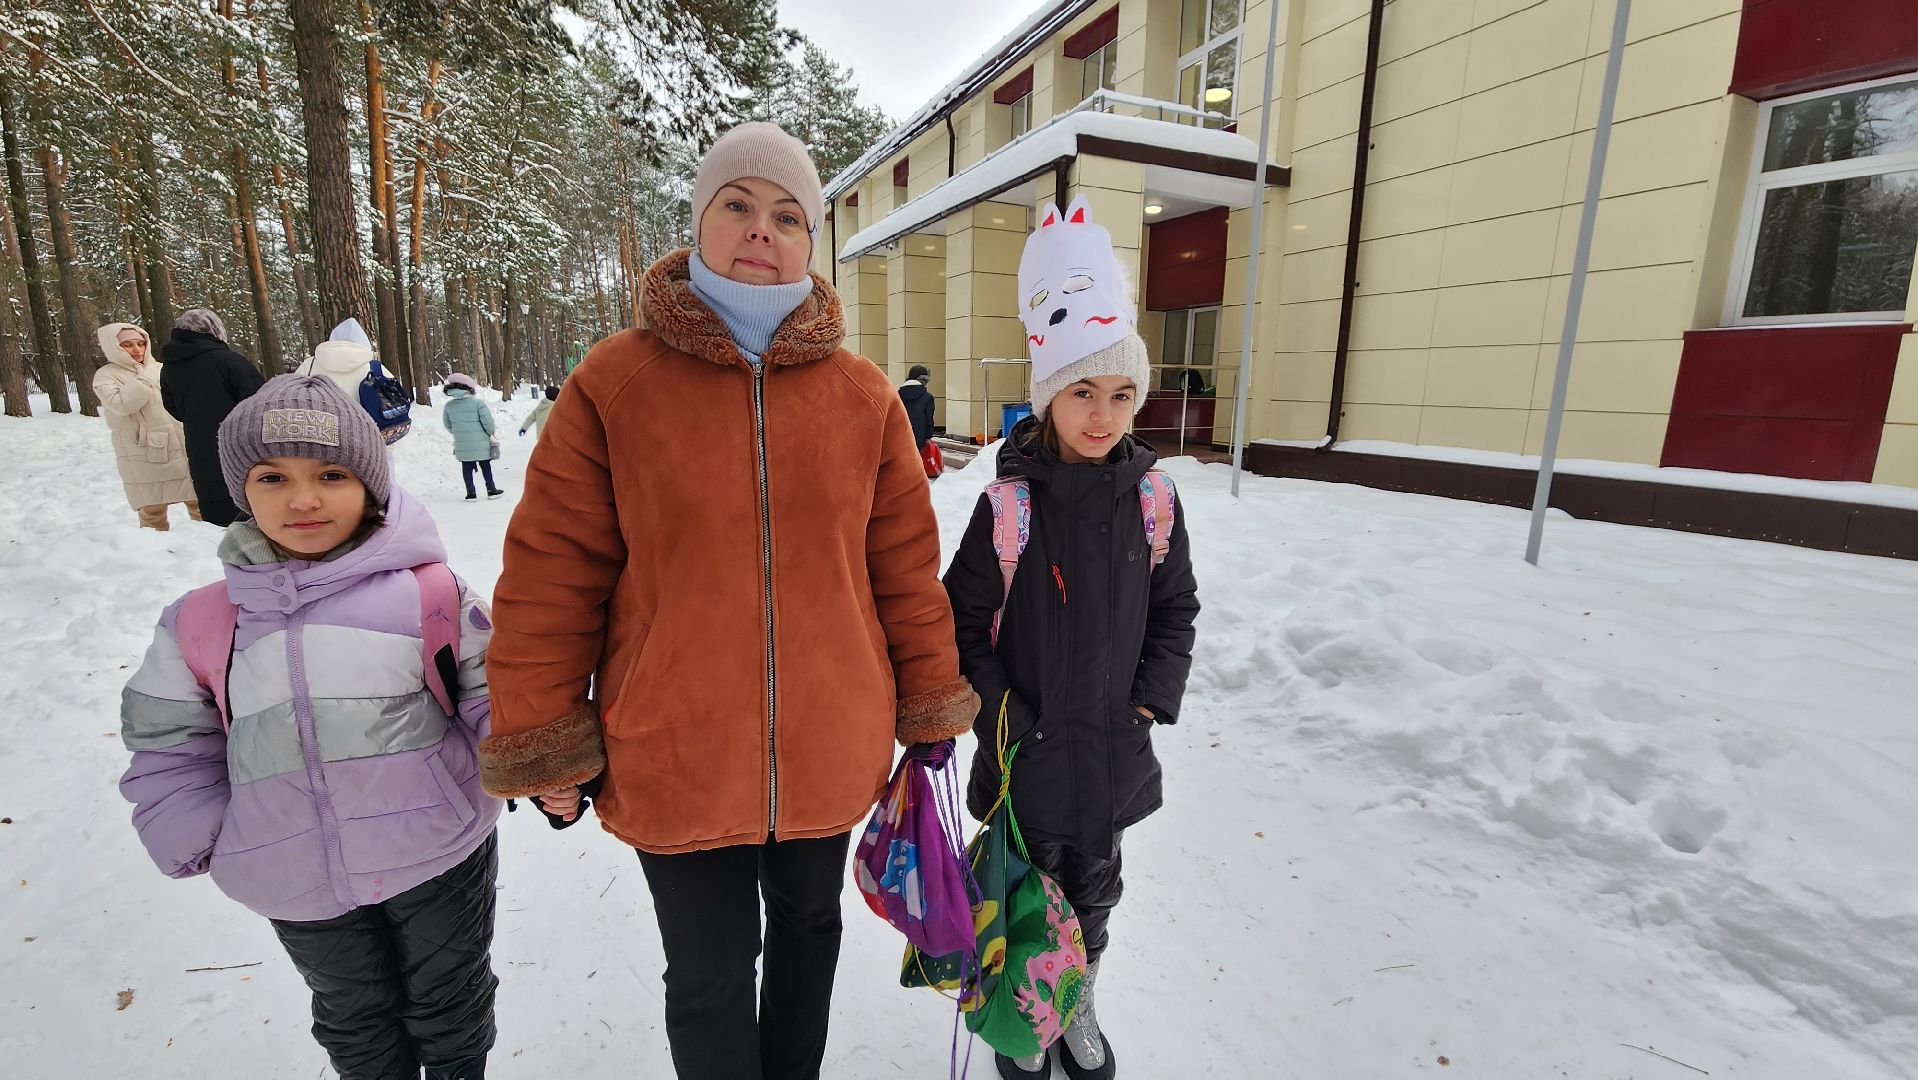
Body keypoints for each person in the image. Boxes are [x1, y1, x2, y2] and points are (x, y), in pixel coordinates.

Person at [475, 121, 977, 1080]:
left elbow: (904, 573)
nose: (761, 229)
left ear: (810, 241)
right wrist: (543, 734)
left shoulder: (863, 398)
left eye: (788, 216)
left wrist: (927, 703)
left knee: (809, 935)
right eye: (738, 205)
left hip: (829, 739)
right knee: (708, 971)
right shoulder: (614, 385)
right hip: (674, 747)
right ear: (700, 222)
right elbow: (552, 576)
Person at [117, 374, 503, 1080]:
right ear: (243, 490)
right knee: (353, 1017)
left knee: (451, 1001)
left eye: (331, 475)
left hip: (438, 851)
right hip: (288, 869)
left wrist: (529, 766)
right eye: (273, 477)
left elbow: (495, 698)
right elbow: (169, 743)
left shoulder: (431, 594)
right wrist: (206, 835)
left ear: (370, 487)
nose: (303, 499)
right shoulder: (201, 621)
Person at [942, 197, 1200, 1080]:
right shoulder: (1008, 509)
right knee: (1026, 898)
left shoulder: (1155, 503)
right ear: (1049, 395)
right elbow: (960, 625)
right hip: (1026, 758)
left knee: (1094, 896)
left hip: (1111, 752)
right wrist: (1007, 717)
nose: (1103, 414)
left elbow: (1176, 609)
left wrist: (1147, 703)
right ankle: (1028, 1016)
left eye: (1121, 394)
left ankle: (1077, 1000)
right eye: (1083, 392)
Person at [160, 308, 266, 526]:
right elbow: (260, 401)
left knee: (216, 501)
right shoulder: (229, 361)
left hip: (199, 444)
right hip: (241, 442)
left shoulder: (170, 367)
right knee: (250, 504)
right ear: (214, 330)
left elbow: (173, 407)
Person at [93, 323, 198, 530]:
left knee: (199, 502)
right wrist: (144, 378)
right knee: (152, 511)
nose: (137, 349)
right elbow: (121, 405)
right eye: (128, 345)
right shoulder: (106, 375)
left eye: (141, 343)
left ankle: (206, 543)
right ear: (113, 347)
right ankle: (153, 548)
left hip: (180, 443)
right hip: (142, 451)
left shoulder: (160, 368)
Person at [441, 373, 502, 500]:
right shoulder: (478, 403)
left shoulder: (448, 406)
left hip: (462, 442)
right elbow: (488, 423)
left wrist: (458, 432)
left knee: (466, 466)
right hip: (481, 442)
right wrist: (490, 433)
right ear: (469, 388)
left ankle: (471, 493)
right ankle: (491, 490)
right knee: (485, 465)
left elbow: (447, 424)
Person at [298, 318, 374, 401]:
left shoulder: (309, 365)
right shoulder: (375, 368)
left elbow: (291, 394)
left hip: (316, 408)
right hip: (361, 410)